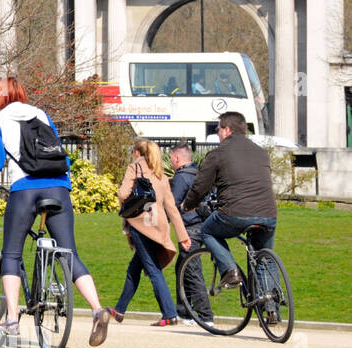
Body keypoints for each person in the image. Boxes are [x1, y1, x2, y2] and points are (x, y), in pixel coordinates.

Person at [0, 76, 112, 348]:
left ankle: (12, 318)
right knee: (69, 253)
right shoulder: (41, 114)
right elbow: (57, 151)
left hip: (25, 189)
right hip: (58, 186)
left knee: (12, 253)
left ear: (0, 97)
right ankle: (98, 310)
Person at [182, 111, 279, 314]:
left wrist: (188, 204)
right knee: (264, 257)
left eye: (218, 129)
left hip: (235, 212)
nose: (217, 133)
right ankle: (272, 310)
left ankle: (230, 270)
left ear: (226, 130)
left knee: (208, 231)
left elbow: (200, 186)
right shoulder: (261, 152)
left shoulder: (218, 153)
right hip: (268, 213)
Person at [109, 140, 192, 326]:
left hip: (141, 226)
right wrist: (183, 236)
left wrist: (125, 201)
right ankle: (120, 310)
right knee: (134, 269)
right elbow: (172, 208)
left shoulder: (134, 168)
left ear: (137, 152)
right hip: (159, 227)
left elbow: (123, 193)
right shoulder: (160, 174)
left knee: (153, 270)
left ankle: (169, 314)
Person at [169, 141, 211, 323]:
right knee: (182, 268)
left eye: (171, 159)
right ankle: (184, 312)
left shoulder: (181, 177)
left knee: (192, 270)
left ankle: (205, 315)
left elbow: (173, 206)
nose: (170, 162)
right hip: (205, 225)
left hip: (189, 229)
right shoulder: (200, 175)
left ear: (177, 158)